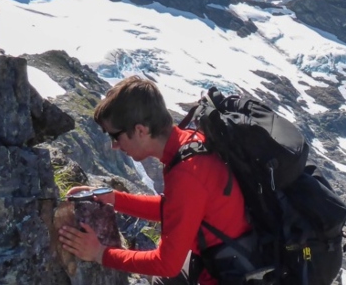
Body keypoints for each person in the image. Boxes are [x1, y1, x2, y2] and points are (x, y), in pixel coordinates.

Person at [59, 76, 251, 284]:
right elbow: (174, 208)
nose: (114, 145)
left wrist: (100, 253)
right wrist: (113, 199)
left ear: (140, 130)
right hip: (233, 257)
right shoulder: (190, 143)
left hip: (228, 275)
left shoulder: (186, 174)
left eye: (116, 136)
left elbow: (167, 264)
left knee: (161, 274)